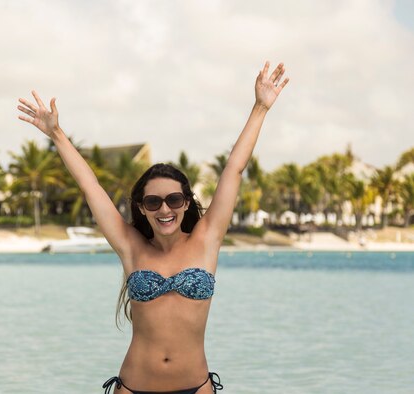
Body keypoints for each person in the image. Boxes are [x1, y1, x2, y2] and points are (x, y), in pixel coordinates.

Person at [17, 61, 289, 394]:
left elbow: (234, 168)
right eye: (153, 202)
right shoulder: (131, 246)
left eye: (174, 200)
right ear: (142, 209)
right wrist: (57, 134)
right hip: (135, 387)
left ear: (186, 203)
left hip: (196, 387)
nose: (164, 209)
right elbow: (90, 186)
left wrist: (260, 107)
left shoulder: (207, 239)